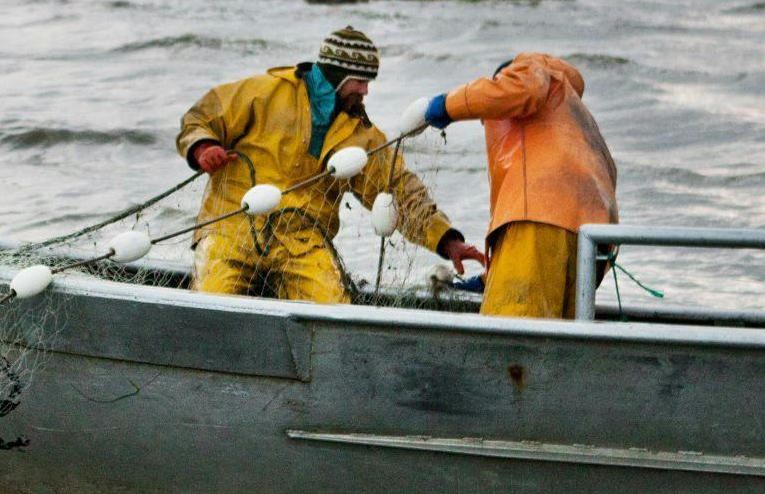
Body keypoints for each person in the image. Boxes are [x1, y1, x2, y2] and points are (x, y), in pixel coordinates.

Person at [176, 26, 488, 303]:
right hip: (229, 231)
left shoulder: (361, 134)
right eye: (360, 80)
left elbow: (396, 189)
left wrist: (448, 240)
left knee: (333, 308)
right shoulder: (263, 92)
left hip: (303, 242)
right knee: (209, 304)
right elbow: (201, 117)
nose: (365, 90)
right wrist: (203, 147)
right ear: (335, 73)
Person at [404, 52, 618, 319]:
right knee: (556, 346)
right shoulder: (570, 121)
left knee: (509, 343)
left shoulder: (530, 68)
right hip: (590, 240)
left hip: (542, 220)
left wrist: (446, 105)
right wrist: (490, 279)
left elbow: (520, 90)